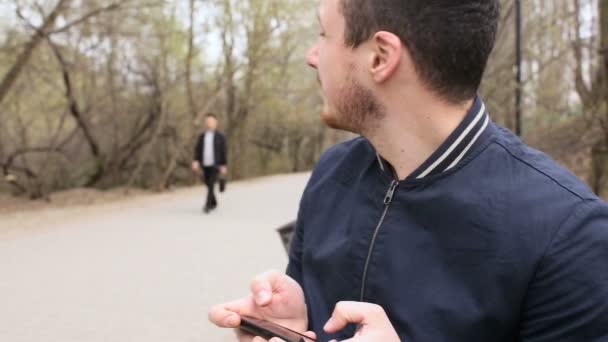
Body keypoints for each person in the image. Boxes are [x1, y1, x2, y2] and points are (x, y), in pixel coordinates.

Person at [210, 0, 608, 340]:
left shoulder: (569, 234)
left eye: (323, 35)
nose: (312, 56)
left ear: (380, 57)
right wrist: (301, 323)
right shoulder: (333, 171)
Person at [192, 113, 227, 213]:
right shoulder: (202, 136)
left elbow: (223, 151)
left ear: (216, 122)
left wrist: (223, 165)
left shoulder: (220, 136)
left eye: (211, 121)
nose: (209, 123)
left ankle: (207, 205)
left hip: (215, 164)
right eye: (207, 121)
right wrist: (196, 161)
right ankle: (214, 201)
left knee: (211, 183)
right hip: (205, 164)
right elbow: (197, 150)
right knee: (208, 183)